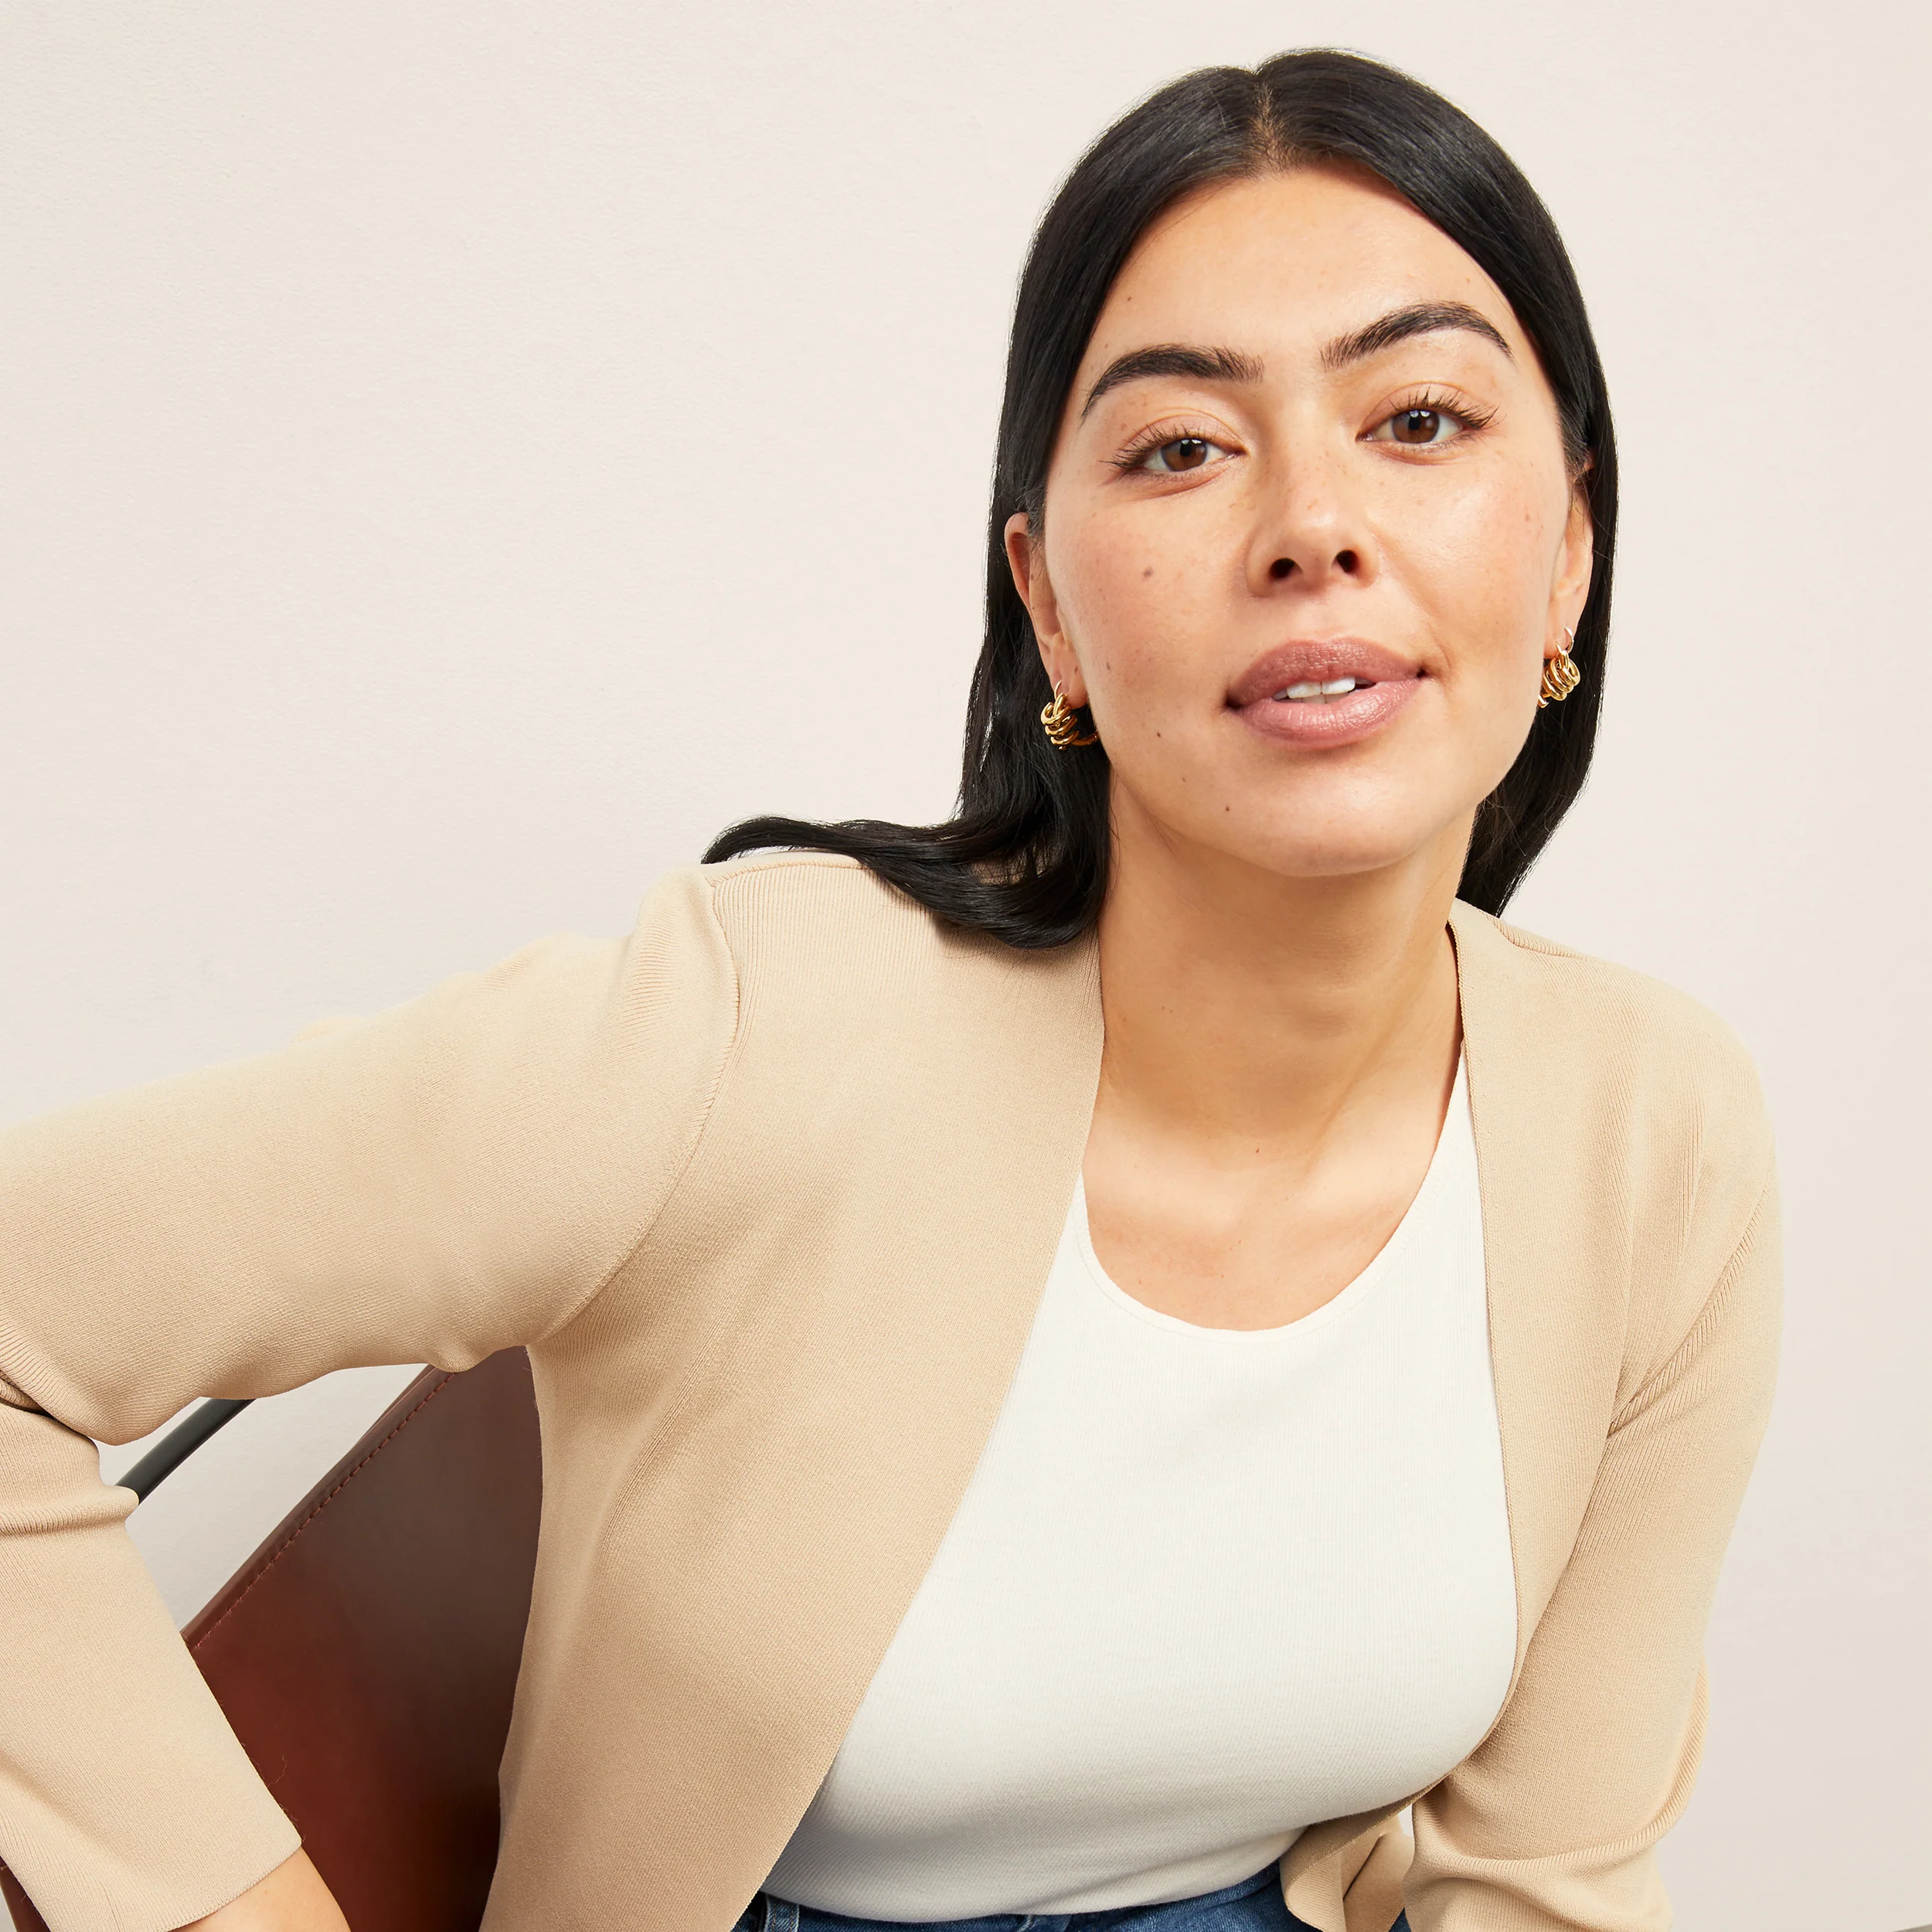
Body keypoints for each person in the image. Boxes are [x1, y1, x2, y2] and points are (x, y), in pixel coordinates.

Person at [0, 48, 1780, 1932]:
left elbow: (1540, 1878)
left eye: (1417, 417)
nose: (1308, 523)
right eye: (1179, 445)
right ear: (1047, 605)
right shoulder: (747, 1032)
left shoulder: (1652, 1133)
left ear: (1569, 547)